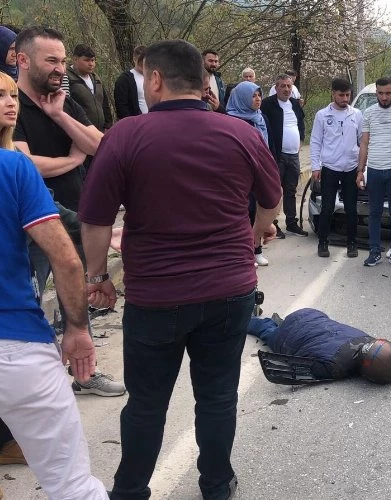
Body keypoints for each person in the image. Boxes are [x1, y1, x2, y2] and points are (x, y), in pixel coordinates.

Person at [79, 39, 282, 500]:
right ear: (204, 81)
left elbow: (95, 219)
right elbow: (271, 201)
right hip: (230, 292)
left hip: (157, 297)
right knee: (217, 395)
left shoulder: (126, 135)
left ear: (154, 79)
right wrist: (251, 238)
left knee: (147, 403)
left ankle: (130, 491)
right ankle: (216, 485)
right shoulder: (240, 133)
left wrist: (98, 276)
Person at [0, 67, 109, 500]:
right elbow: (65, 259)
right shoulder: (13, 168)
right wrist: (77, 329)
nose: (10, 103)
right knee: (71, 484)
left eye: (11, 94)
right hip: (13, 340)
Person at [13, 26, 125, 396]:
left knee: (75, 301)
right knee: (28, 304)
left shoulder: (62, 100)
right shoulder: (9, 102)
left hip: (75, 217)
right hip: (32, 226)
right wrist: (71, 160)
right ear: (24, 60)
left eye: (62, 61)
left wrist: (60, 116)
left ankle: (85, 375)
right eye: (51, 60)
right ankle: (29, 386)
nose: (60, 68)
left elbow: (101, 146)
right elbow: (23, 166)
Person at [249, 308, 391, 384]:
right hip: (289, 336)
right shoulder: (336, 367)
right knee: (267, 331)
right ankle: (246, 321)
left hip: (310, 314)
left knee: (310, 331)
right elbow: (302, 366)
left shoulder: (367, 337)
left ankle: (283, 324)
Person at [357, 77, 391, 268]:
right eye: (380, 93)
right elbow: (364, 143)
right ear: (376, 93)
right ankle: (374, 252)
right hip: (374, 170)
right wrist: (360, 170)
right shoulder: (369, 113)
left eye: (388, 93)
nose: (384, 97)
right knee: (374, 212)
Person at [310, 77, 362, 259]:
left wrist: (362, 168)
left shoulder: (356, 114)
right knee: (327, 207)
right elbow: (315, 141)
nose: (345, 99)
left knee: (351, 208)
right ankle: (323, 242)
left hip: (351, 167)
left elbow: (363, 141)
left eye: (348, 95)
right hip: (330, 167)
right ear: (333, 93)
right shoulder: (322, 115)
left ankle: (352, 243)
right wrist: (315, 166)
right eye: (341, 95)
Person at [227, 80, 274, 266]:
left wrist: (271, 168)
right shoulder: (233, 120)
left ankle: (257, 249)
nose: (258, 99)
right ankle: (243, 252)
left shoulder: (261, 118)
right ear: (242, 98)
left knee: (258, 212)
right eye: (253, 96)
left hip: (260, 172)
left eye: (259, 95)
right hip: (241, 174)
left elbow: (270, 145)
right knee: (244, 213)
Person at [261, 72, 307, 237]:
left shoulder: (294, 104)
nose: (286, 89)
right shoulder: (268, 104)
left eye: (289, 86)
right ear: (276, 88)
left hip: (294, 155)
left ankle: (291, 223)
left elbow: (301, 122)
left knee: (291, 190)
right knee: (275, 191)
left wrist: (301, 139)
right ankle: (272, 224)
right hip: (276, 155)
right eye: (283, 86)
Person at [66, 43, 112, 132]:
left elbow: (104, 103)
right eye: (87, 60)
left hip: (100, 131)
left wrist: (108, 125)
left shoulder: (96, 78)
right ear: (75, 59)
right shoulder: (66, 78)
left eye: (93, 60)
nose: (91, 64)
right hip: (79, 131)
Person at [114, 45, 148, 119]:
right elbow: (121, 106)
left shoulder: (154, 77)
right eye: (140, 61)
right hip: (136, 121)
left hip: (153, 120)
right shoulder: (124, 79)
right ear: (134, 59)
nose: (143, 64)